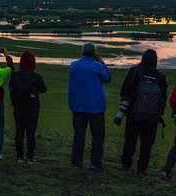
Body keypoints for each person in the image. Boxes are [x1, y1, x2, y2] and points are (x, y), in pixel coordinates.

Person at [117, 49, 167, 174]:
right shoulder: (160, 76)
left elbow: (124, 91)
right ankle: (142, 168)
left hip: (133, 112)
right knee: (147, 142)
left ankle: (126, 164)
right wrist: (158, 113)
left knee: (130, 139)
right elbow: (163, 97)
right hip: (152, 116)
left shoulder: (134, 71)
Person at [68, 42, 111, 170]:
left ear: (82, 53)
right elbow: (107, 78)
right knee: (97, 136)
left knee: (79, 135)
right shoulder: (97, 67)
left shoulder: (74, 65)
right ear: (94, 54)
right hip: (95, 107)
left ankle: (77, 161)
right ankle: (95, 163)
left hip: (78, 105)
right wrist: (102, 63)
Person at [9, 50, 47, 163]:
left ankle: (19, 156)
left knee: (19, 132)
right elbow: (43, 90)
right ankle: (30, 157)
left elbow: (10, 87)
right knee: (31, 133)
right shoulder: (36, 76)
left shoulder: (15, 75)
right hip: (33, 109)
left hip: (18, 108)